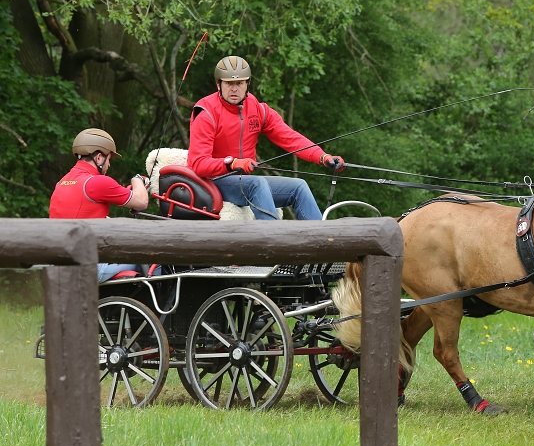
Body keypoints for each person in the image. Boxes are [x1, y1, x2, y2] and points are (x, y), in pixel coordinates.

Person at [187, 55, 344, 220]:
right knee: (257, 184)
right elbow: (199, 164)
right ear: (218, 84)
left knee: (299, 187)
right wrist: (232, 163)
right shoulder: (206, 113)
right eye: (229, 83)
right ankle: (274, 241)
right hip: (213, 182)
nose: (234, 89)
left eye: (239, 83)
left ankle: (321, 240)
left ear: (247, 84)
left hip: (244, 183)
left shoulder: (257, 109)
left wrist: (323, 156)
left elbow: (290, 138)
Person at [49, 128, 154, 283]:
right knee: (154, 261)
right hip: (86, 267)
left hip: (59, 266)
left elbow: (85, 217)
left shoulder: (62, 182)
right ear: (99, 158)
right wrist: (137, 180)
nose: (109, 165)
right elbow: (141, 202)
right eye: (109, 159)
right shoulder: (96, 182)